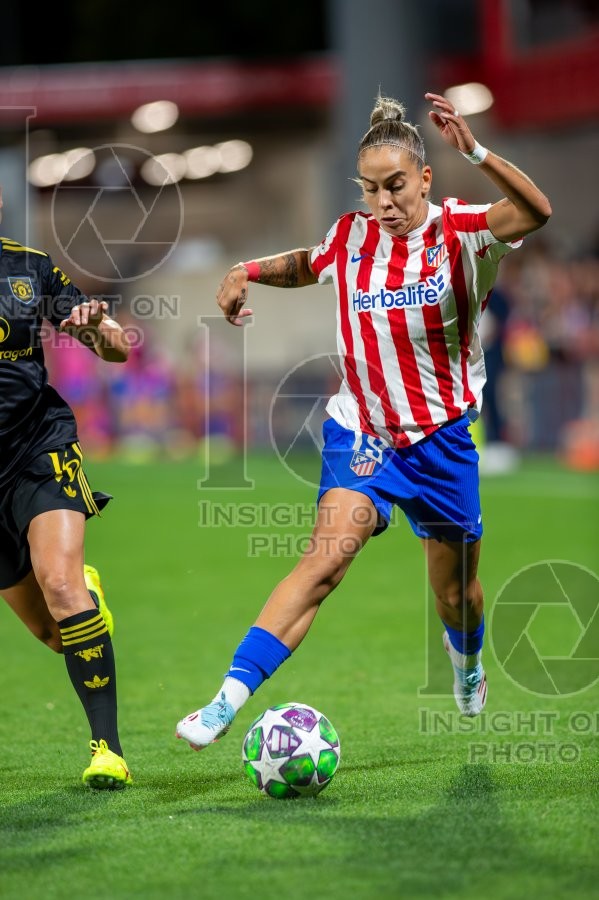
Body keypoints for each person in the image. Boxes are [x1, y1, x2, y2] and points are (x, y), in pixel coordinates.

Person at [176, 91, 551, 750]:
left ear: (425, 178)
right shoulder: (351, 237)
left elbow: (535, 211)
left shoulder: (462, 232)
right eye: (372, 188)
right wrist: (246, 271)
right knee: (325, 560)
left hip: (441, 443)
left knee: (455, 594)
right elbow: (308, 264)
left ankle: (466, 665)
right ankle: (224, 699)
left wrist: (476, 151)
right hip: (363, 432)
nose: (383, 202)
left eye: (396, 186)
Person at [0, 185, 132, 788]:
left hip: (36, 447)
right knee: (54, 632)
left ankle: (109, 751)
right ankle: (85, 597)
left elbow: (116, 352)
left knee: (60, 583)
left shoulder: (30, 269)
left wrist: (97, 325)